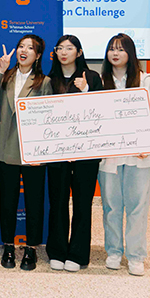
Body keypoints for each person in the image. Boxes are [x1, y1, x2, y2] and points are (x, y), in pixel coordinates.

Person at [0, 35, 52, 271]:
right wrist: (0, 69)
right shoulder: (6, 75)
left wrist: (42, 153)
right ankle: (8, 245)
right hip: (5, 149)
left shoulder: (44, 81)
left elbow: (48, 119)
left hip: (32, 153)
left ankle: (31, 248)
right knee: (7, 200)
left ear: (38, 56)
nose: (23, 51)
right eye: (21, 46)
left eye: (30, 48)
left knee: (34, 201)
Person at [46, 35, 103, 272]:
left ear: (79, 53)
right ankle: (57, 251)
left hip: (86, 154)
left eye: (69, 48)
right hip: (57, 153)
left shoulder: (91, 77)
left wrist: (87, 90)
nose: (64, 52)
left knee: (82, 203)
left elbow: (101, 111)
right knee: (57, 202)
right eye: (59, 48)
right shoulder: (49, 80)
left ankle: (78, 254)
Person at [98, 33, 150, 276]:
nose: (115, 53)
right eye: (111, 49)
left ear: (130, 53)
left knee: (138, 206)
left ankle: (137, 256)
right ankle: (114, 252)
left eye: (120, 49)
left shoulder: (145, 81)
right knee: (111, 205)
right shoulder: (99, 81)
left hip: (139, 156)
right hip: (109, 156)